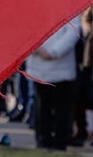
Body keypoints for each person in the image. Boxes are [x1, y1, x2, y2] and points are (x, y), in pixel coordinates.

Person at [26, 15, 82, 150]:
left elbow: (72, 32)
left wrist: (53, 52)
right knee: (42, 106)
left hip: (62, 67)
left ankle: (60, 140)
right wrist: (38, 48)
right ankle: (43, 138)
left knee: (61, 108)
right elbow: (27, 29)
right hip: (39, 66)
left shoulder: (71, 4)